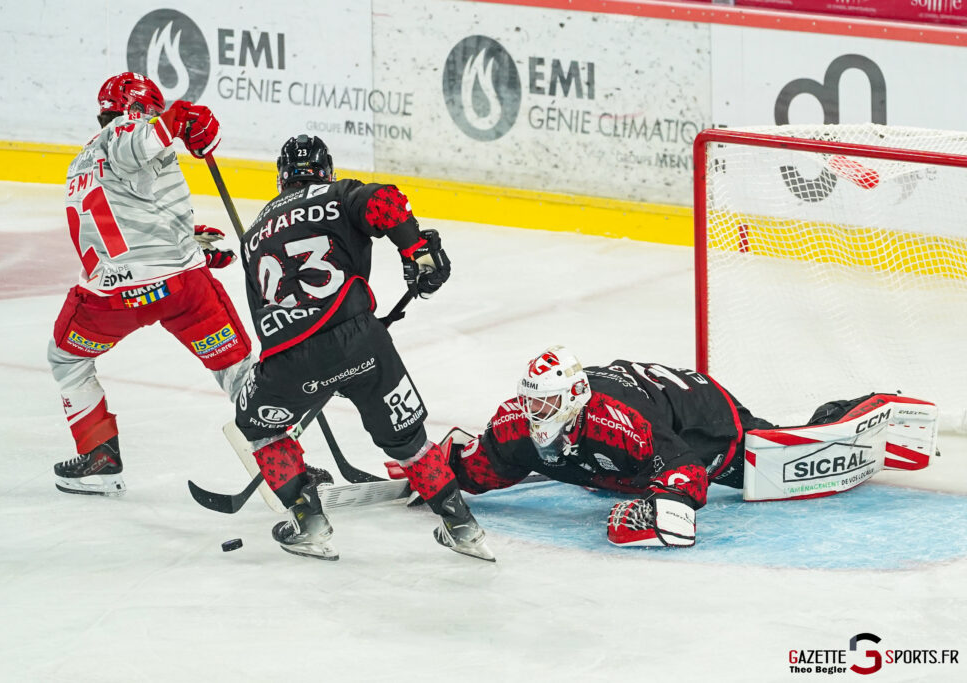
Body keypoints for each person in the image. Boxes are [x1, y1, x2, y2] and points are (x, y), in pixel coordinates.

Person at [231, 133, 492, 562]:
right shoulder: (338, 193)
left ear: (281, 178)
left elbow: (268, 309)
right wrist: (417, 252)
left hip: (289, 355)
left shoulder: (254, 233)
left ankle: (308, 523)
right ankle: (463, 527)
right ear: (326, 171)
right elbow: (387, 202)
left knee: (259, 428)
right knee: (408, 439)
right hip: (362, 341)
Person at [412, 345, 936, 548]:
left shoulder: (619, 424)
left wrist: (659, 509)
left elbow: (686, 475)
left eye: (547, 405)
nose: (535, 416)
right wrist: (437, 469)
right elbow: (484, 466)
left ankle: (865, 407)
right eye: (531, 403)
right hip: (641, 420)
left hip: (702, 418)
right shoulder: (516, 423)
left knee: (776, 462)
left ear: (573, 399)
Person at [49, 72, 255, 496]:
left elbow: (120, 224)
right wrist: (178, 118)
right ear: (138, 110)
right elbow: (135, 141)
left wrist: (188, 239)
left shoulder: (80, 161)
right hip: (182, 289)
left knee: (67, 358)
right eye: (151, 113)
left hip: (112, 299)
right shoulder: (131, 130)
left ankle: (99, 456)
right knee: (236, 368)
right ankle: (282, 462)